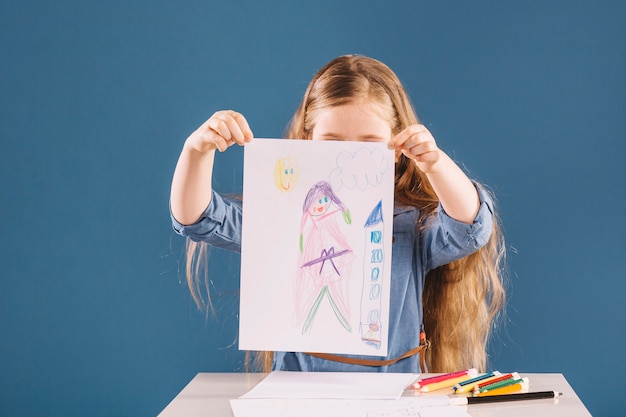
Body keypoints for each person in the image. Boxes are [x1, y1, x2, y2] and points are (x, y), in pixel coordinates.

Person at [170, 54, 506, 374]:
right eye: (331, 141)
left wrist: (435, 163)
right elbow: (198, 218)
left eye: (370, 142)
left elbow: (470, 227)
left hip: (392, 399)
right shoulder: (282, 217)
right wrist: (196, 150)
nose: (350, 155)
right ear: (306, 140)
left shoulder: (408, 224)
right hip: (297, 399)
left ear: (398, 149)